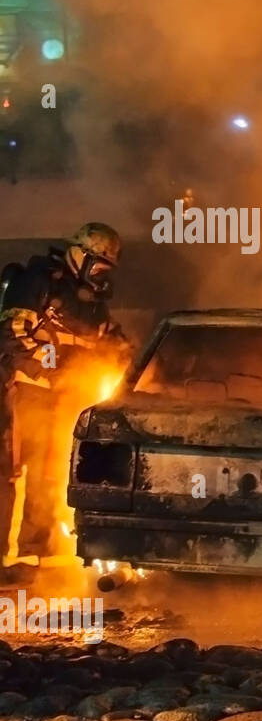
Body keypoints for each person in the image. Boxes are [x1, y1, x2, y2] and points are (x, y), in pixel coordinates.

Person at [0, 223, 129, 564]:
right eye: (97, 266)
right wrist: (50, 372)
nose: (100, 276)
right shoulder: (38, 281)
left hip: (60, 399)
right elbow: (12, 334)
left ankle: (35, 554)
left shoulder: (94, 306)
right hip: (21, 390)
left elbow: (111, 345)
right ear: (78, 255)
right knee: (8, 472)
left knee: (49, 472)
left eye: (106, 269)